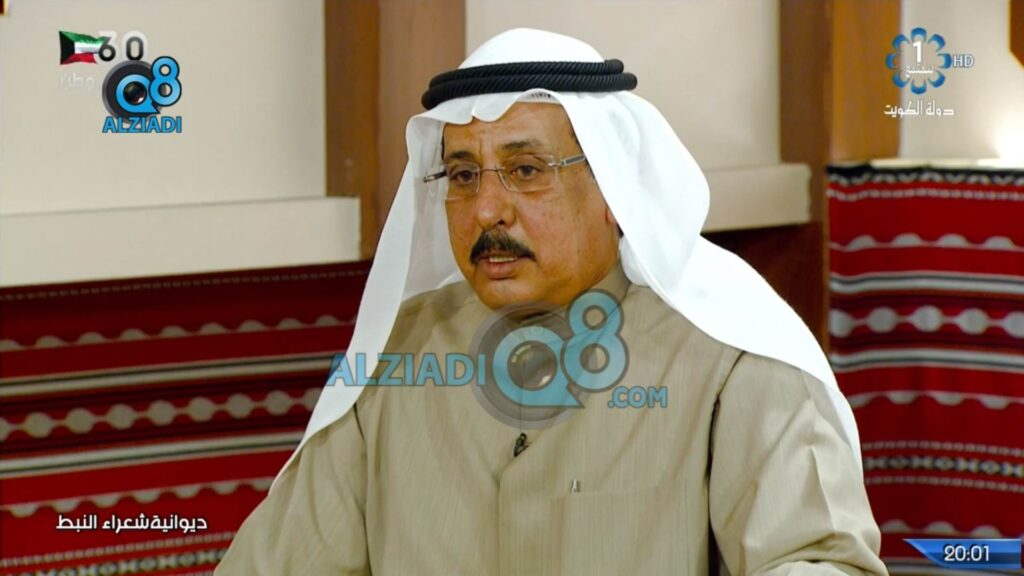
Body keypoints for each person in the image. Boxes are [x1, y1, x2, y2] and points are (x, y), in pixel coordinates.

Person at [217, 29, 887, 575]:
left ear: (615, 191)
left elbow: (818, 561)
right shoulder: (398, 357)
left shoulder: (733, 355)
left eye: (526, 170)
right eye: (463, 174)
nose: (487, 209)